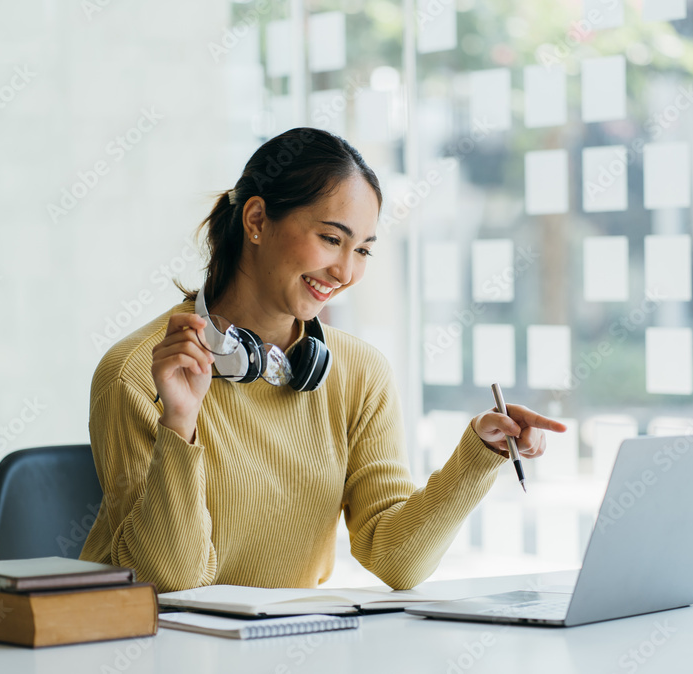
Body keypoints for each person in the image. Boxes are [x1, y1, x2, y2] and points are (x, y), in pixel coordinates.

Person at [78, 127, 567, 593]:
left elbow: (398, 560)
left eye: (363, 251)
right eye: (332, 240)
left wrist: (480, 453)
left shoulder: (358, 371)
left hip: (285, 643)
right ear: (256, 220)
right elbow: (169, 580)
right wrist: (180, 422)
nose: (345, 271)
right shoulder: (139, 373)